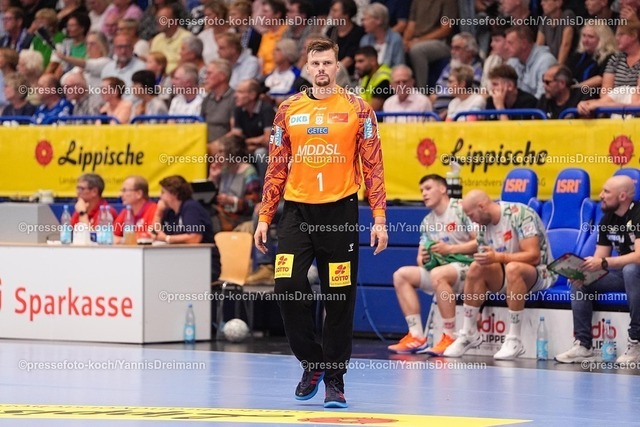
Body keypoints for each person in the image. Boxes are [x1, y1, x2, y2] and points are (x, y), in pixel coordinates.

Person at [254, 37, 387, 409]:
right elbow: (276, 166)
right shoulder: (288, 109)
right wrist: (265, 215)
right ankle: (313, 362)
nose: (322, 69)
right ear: (307, 67)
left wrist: (379, 218)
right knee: (286, 284)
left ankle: (335, 379)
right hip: (297, 212)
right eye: (316, 63)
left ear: (338, 66)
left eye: (328, 63)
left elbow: (374, 166)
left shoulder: (359, 109)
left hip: (340, 212)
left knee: (338, 298)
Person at [444, 189, 556, 360]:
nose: (470, 220)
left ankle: (514, 339)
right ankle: (468, 332)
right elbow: (488, 265)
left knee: (513, 268)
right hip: (507, 274)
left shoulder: (520, 214)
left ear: (481, 206)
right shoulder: (482, 227)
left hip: (541, 272)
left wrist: (499, 257)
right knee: (476, 267)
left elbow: (534, 256)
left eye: (470, 214)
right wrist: (479, 309)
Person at [387, 174, 476, 355]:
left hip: (470, 270)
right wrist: (425, 259)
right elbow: (420, 260)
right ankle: (416, 336)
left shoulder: (461, 209)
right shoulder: (427, 222)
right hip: (442, 273)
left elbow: (481, 242)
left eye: (428, 188)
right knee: (401, 275)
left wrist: (449, 249)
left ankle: (449, 336)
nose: (424, 194)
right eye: (421, 191)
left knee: (438, 274)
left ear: (443, 189)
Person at [555, 175, 640, 364]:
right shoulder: (607, 219)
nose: (601, 195)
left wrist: (602, 263)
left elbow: (638, 257)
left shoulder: (638, 215)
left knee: (631, 269)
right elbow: (600, 257)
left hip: (635, 273)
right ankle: (583, 345)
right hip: (625, 276)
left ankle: (636, 341)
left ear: (622, 196)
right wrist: (583, 272)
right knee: (582, 282)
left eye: (606, 192)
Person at [152, 175, 221, 281]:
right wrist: (158, 214)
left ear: (174, 194)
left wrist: (167, 238)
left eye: (163, 192)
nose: (159, 196)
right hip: (182, 260)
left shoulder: (191, 208)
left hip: (204, 262)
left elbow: (195, 238)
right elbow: (155, 233)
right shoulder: (170, 212)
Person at [208, 134, 261, 233]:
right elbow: (209, 199)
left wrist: (233, 201)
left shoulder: (248, 172)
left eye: (221, 152)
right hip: (222, 214)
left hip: (239, 218)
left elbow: (253, 204)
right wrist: (213, 178)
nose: (217, 156)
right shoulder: (223, 170)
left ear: (231, 152)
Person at [113, 175, 157, 244]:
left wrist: (122, 240)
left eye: (124, 190)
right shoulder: (126, 212)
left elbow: (150, 236)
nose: (120, 194)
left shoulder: (153, 210)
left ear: (139, 194)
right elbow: (113, 234)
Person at [354, 45, 391, 111]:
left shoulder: (384, 79)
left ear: (373, 61)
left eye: (361, 61)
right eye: (356, 62)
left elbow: (373, 108)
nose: (357, 65)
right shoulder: (366, 76)